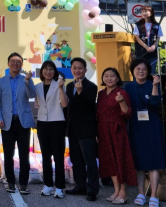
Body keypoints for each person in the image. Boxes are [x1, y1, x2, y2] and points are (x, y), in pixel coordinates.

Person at [125, 59, 166, 207]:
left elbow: (155, 103)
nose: (141, 71)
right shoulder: (128, 87)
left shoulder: (153, 85)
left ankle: (154, 195)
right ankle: (141, 193)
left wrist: (155, 86)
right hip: (136, 128)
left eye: (144, 69)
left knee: (153, 162)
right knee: (139, 163)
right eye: (138, 68)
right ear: (133, 71)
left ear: (148, 71)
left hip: (152, 127)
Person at [0, 52, 35, 194]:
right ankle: (10, 182)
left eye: (18, 62)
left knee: (24, 154)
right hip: (6, 122)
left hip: (23, 121)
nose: (15, 64)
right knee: (8, 154)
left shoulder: (26, 79)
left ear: (22, 65)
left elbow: (32, 95)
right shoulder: (0, 81)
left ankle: (24, 183)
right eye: (12, 61)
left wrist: (28, 82)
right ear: (8, 63)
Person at [97, 67, 137, 204]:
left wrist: (121, 101)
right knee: (110, 161)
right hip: (103, 131)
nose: (109, 78)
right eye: (106, 76)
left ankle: (123, 192)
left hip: (118, 131)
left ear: (117, 78)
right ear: (103, 78)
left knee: (121, 161)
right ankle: (116, 190)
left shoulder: (122, 93)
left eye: (112, 76)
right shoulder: (101, 94)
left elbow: (127, 113)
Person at [64, 57, 99, 201]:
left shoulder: (91, 86)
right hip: (72, 129)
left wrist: (80, 93)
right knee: (76, 159)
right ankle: (80, 186)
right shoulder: (69, 86)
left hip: (86, 130)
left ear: (85, 70)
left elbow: (89, 106)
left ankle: (92, 190)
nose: (77, 70)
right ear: (71, 69)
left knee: (89, 161)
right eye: (74, 68)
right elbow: (69, 108)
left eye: (80, 68)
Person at [34, 61, 68, 198]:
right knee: (45, 155)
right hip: (42, 123)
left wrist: (60, 88)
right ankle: (48, 185)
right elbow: (36, 102)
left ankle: (59, 187)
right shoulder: (37, 87)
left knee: (58, 156)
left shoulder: (59, 85)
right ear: (41, 72)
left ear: (55, 72)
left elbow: (64, 104)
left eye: (51, 69)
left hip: (57, 122)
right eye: (46, 69)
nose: (48, 72)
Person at [133, 5, 163, 74]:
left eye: (146, 11)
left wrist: (154, 46)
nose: (144, 13)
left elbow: (158, 37)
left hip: (152, 54)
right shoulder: (138, 25)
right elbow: (137, 38)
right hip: (141, 53)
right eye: (142, 11)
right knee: (141, 72)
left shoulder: (156, 25)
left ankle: (152, 85)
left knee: (151, 72)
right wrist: (146, 47)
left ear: (151, 13)